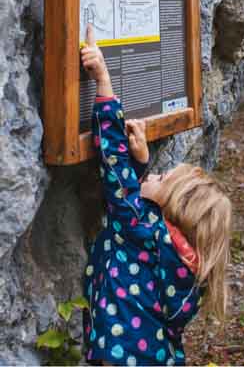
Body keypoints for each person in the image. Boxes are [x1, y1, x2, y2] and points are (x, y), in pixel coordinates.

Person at [80, 25, 231, 366]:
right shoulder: (187, 260)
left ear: (172, 207)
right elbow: (135, 199)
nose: (158, 173)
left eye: (163, 177)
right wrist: (144, 163)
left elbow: (114, 164)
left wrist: (103, 80)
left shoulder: (142, 227)